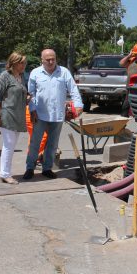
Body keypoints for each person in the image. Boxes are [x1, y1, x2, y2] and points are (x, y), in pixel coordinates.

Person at [24, 48, 83, 180]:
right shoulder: (35, 73)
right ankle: (29, 168)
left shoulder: (64, 72)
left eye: (53, 59)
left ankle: (47, 168)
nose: (51, 62)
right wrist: (32, 110)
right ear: (42, 60)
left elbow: (73, 89)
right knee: (35, 143)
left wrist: (78, 105)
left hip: (57, 114)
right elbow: (30, 94)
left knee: (52, 144)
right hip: (39, 114)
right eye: (48, 59)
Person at [0, 52, 28, 184]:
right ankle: (5, 174)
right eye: (22, 63)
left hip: (18, 116)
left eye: (25, 63)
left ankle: (6, 172)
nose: (24, 65)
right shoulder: (4, 77)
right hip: (6, 115)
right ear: (14, 63)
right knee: (9, 145)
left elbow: (20, 93)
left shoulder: (21, 76)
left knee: (11, 145)